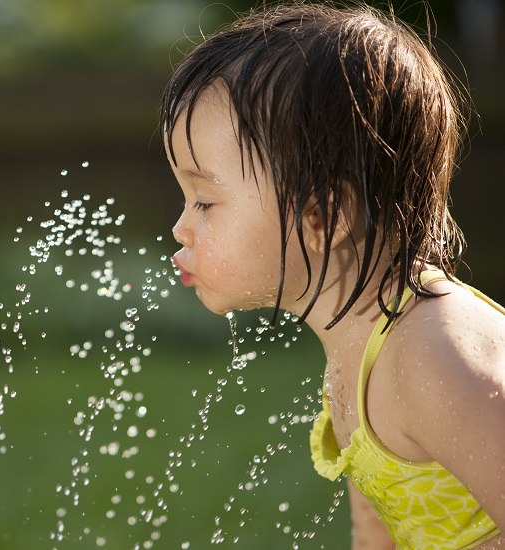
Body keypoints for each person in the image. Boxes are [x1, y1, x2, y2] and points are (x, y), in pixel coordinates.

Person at [160, 2, 505, 548]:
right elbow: (377, 533)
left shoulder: (434, 356)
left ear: (323, 219)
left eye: (204, 201)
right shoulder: (357, 349)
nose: (180, 228)